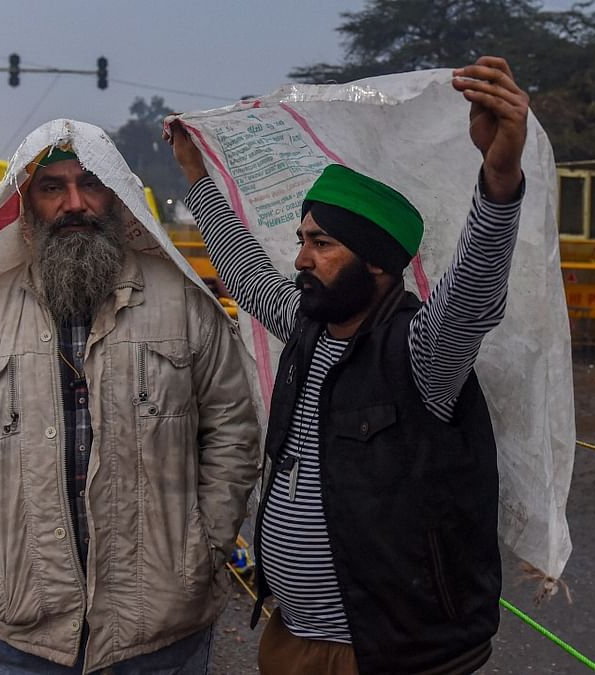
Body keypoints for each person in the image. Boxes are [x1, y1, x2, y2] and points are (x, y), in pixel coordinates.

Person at [167, 56, 529, 674]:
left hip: (382, 655)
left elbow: (472, 293)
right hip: (292, 636)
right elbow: (244, 272)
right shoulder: (308, 328)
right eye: (302, 240)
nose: (301, 259)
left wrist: (498, 177)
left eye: (322, 244)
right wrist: (198, 177)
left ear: (379, 262)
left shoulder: (419, 353)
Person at [0, 128, 261, 674]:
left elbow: (233, 432)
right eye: (53, 187)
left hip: (160, 629)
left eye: (90, 184)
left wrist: (203, 551)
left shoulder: (183, 305)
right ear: (26, 207)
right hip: (29, 634)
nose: (74, 204)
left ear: (117, 198)